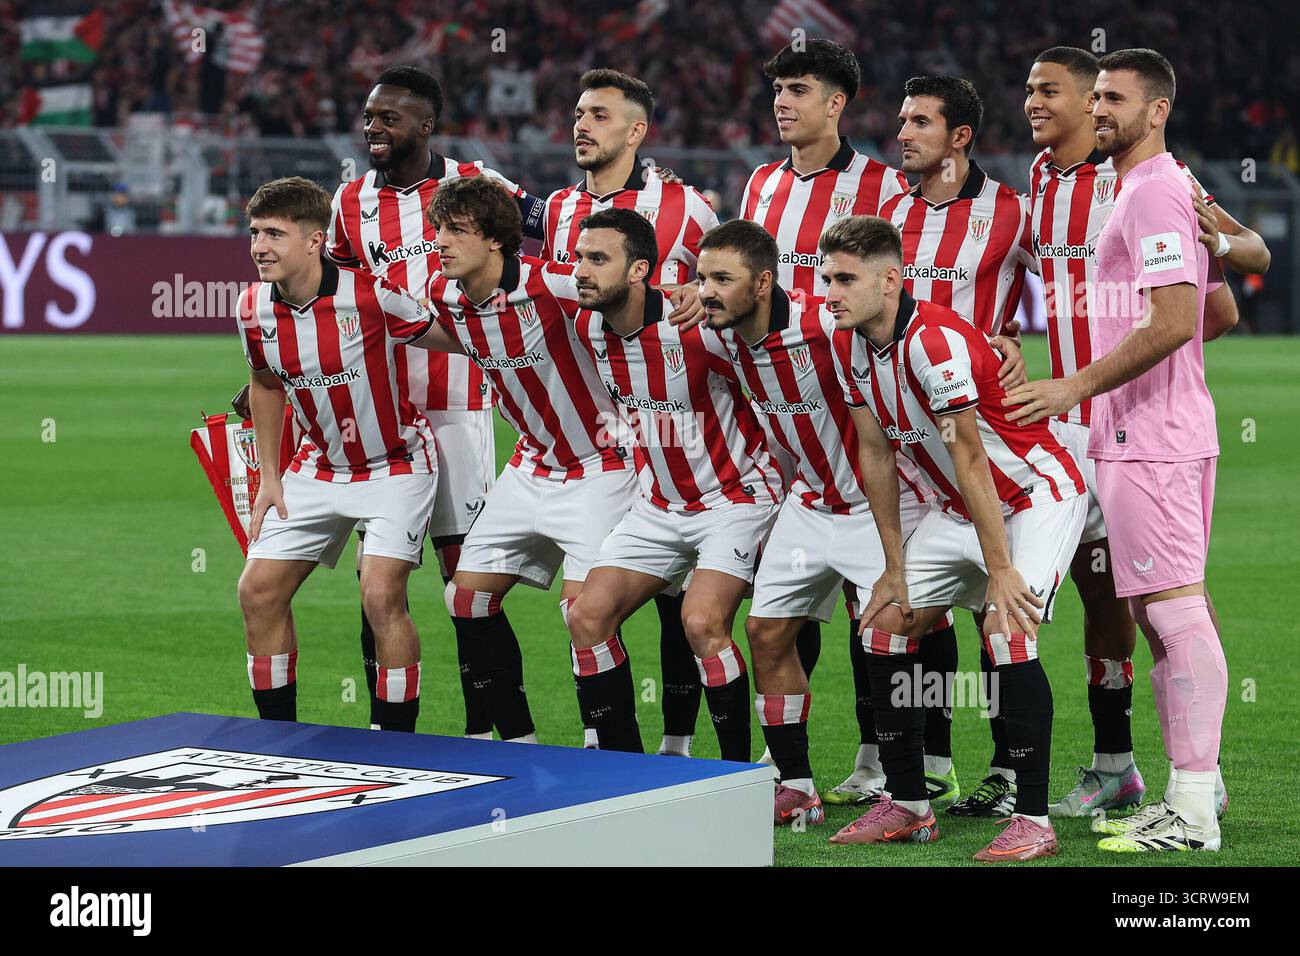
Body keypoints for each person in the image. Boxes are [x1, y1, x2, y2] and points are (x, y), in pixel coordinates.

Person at [1021, 45, 1268, 819]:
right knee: (1152, 611)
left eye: (1111, 98)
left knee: (1172, 608)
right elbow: (1208, 314)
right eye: (1095, 97)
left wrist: (1085, 380)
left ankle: (1196, 796)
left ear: (1156, 110)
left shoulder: (1159, 189)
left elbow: (1179, 317)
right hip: (1131, 431)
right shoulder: (1111, 185)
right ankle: (1177, 786)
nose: (1099, 109)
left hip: (1144, 431)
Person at [824, 214, 1087, 862]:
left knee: (1007, 632)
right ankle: (911, 804)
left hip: (1031, 496)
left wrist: (1000, 571)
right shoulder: (849, 343)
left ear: (889, 281)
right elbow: (877, 455)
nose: (831, 291)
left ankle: (1033, 819)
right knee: (882, 621)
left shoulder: (932, 343)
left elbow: (970, 457)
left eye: (845, 279)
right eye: (827, 277)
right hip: (957, 508)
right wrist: (892, 565)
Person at [701, 218, 938, 826]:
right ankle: (797, 787)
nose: (705, 292)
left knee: (888, 636)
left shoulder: (825, 325)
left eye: (720, 279)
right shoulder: (717, 337)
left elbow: (912, 328)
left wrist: (998, 343)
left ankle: (909, 788)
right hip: (807, 506)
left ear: (762, 284)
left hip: (877, 504)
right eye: (701, 278)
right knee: (767, 634)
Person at [736, 36, 909, 775]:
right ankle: (790, 768)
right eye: (778, 88)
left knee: (876, 603)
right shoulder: (760, 185)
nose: (782, 100)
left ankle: (887, 759)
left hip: (857, 410)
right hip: (780, 419)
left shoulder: (880, 186)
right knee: (790, 595)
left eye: (798, 88)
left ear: (836, 104)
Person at [234, 175, 459, 733]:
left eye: (274, 234)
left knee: (381, 594)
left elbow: (450, 336)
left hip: (397, 462)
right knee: (258, 591)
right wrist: (269, 477)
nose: (260, 247)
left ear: (314, 241)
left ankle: (396, 747)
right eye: (255, 233)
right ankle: (275, 741)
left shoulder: (371, 293)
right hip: (317, 466)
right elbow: (264, 384)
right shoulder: (250, 307)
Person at [542, 68, 721, 756]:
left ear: (637, 131)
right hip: (589, 439)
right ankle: (607, 737)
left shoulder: (688, 209)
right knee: (586, 599)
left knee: (682, 600)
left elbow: (731, 287)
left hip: (674, 436)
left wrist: (693, 291)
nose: (582, 125)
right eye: (579, 113)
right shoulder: (558, 209)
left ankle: (678, 743)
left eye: (600, 115)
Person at [564, 211, 781, 758]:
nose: (581, 271)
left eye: (597, 259)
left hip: (733, 498)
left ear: (639, 270)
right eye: (579, 258)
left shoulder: (699, 327)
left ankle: (736, 775)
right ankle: (625, 770)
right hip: (658, 503)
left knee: (702, 622)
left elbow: (769, 326)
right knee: (586, 616)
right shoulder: (589, 326)